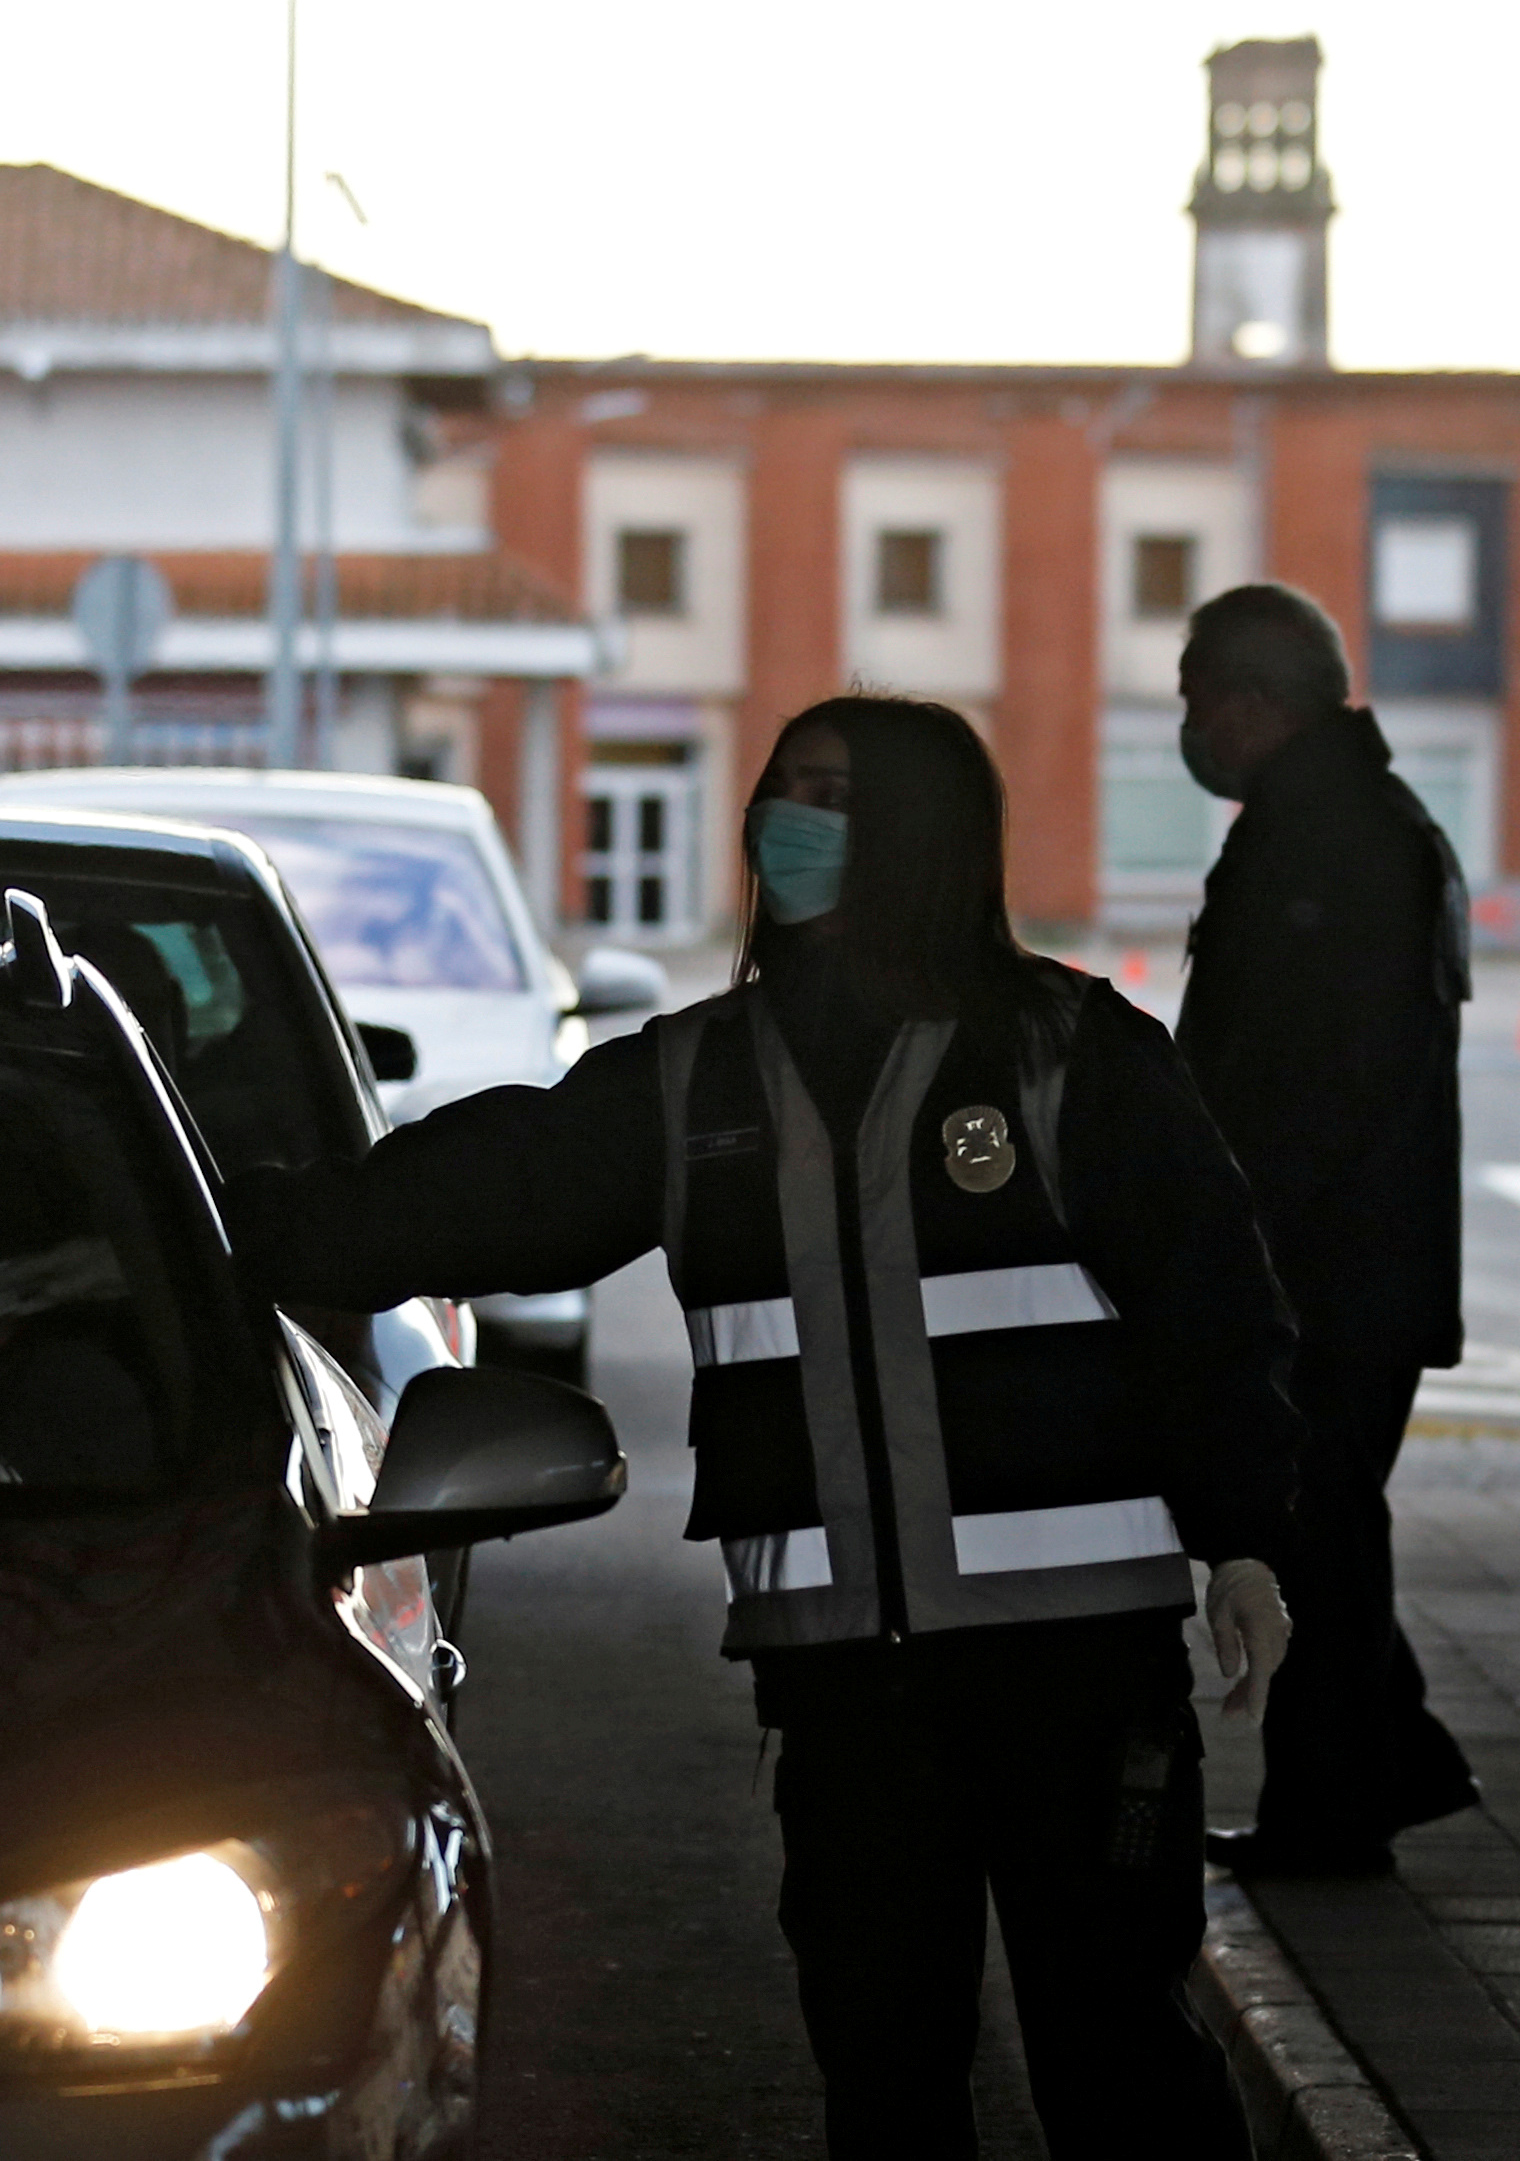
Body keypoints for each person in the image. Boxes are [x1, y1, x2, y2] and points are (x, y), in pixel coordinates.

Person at [229, 694, 1299, 2161]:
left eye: (833, 794)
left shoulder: (1067, 1054)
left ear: (920, 834)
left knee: (1119, 2061)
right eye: (780, 789)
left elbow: (1213, 1304)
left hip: (1077, 1673)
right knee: (881, 2068)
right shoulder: (696, 1082)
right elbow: (493, 1192)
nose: (784, 820)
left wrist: (1247, 1538)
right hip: (846, 1687)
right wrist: (233, 1217)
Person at [1173, 581, 1481, 1879]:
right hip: (1347, 1265)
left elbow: (1307, 1085)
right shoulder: (1346, 822)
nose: (1189, 727)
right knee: (1324, 1530)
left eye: (1197, 699)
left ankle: (1336, 1810)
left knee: (1310, 1537)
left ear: (1253, 702)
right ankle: (1378, 1767)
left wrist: (1225, 1250)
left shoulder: (1332, 840)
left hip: (1323, 1271)